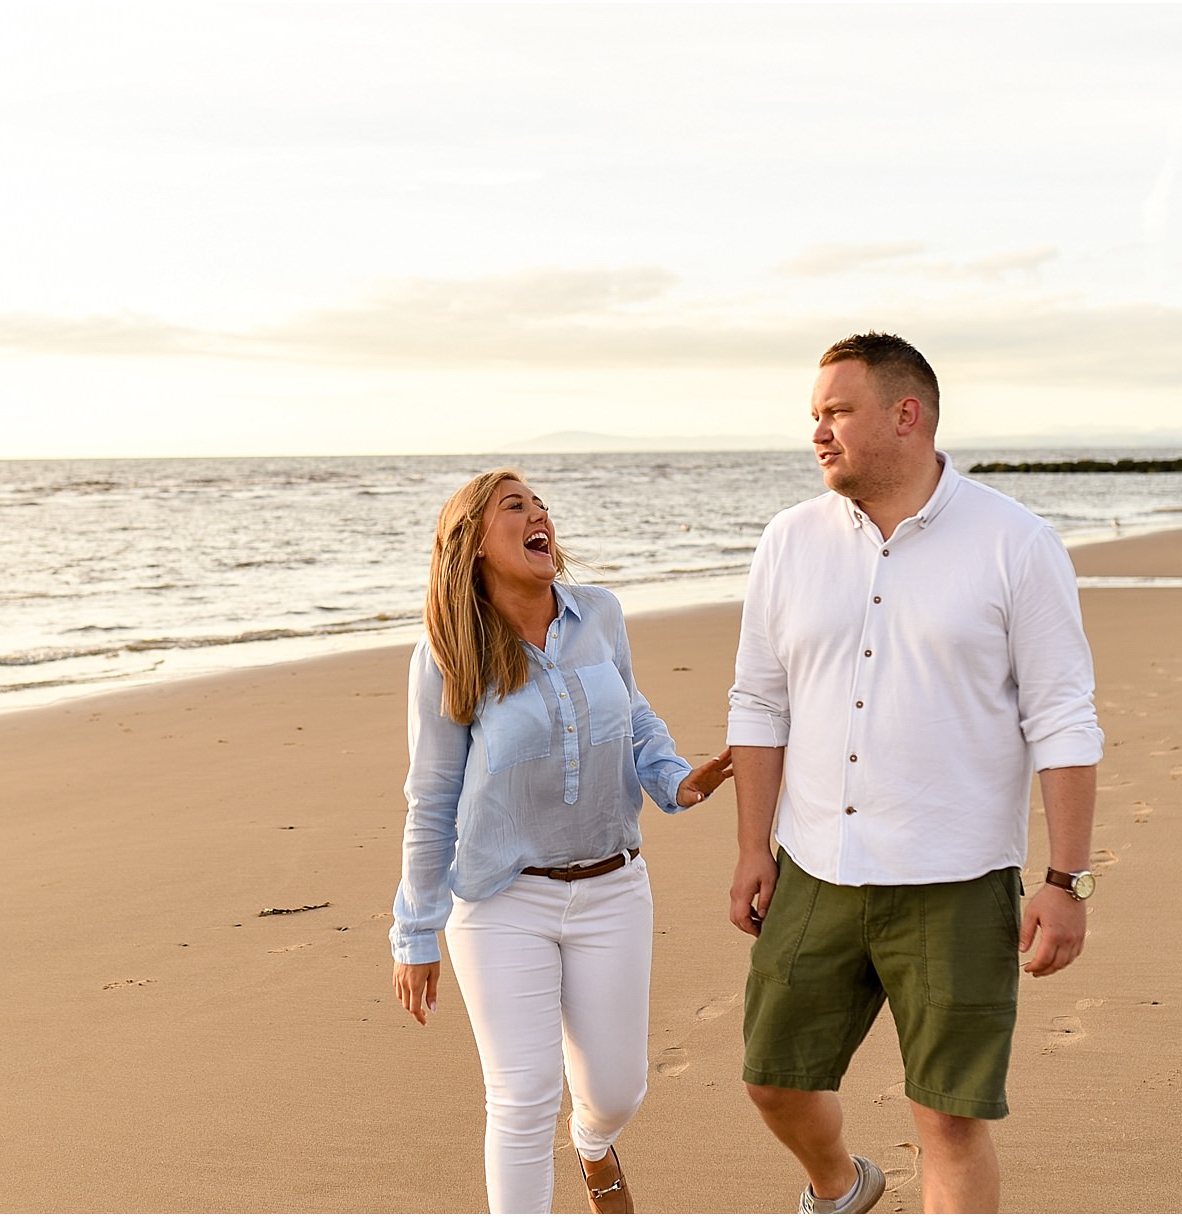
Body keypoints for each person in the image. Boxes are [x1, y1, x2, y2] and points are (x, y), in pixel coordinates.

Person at [726, 333, 1104, 1214]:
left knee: (949, 1118)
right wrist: (753, 846)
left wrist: (1066, 879)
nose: (818, 432)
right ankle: (841, 1182)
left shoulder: (1016, 543)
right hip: (816, 864)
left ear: (908, 414)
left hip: (957, 879)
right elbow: (759, 702)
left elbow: (1063, 718)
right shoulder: (788, 542)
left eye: (837, 411)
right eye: (814, 415)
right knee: (773, 1079)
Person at [390, 468, 733, 1215]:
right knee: (520, 1097)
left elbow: (634, 716)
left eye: (541, 505)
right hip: (499, 900)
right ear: (473, 543)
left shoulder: (601, 615)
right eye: (515, 506)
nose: (538, 515)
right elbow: (431, 799)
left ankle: (593, 1144)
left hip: (614, 884)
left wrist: (678, 780)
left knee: (615, 1090)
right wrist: (414, 931)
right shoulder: (450, 652)